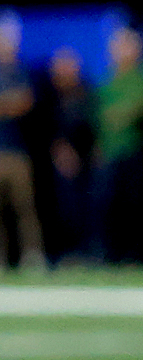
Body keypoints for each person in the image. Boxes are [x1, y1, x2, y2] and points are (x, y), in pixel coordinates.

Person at [93, 28, 143, 264]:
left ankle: (137, 256)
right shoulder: (107, 79)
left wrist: (123, 113)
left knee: (137, 205)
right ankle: (110, 255)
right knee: (108, 205)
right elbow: (100, 117)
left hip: (135, 151)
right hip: (110, 152)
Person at [31, 48, 92, 264]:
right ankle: (58, 254)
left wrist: (79, 152)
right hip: (50, 165)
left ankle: (83, 253)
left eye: (69, 66)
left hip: (84, 163)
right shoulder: (47, 96)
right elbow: (41, 127)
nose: (65, 71)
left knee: (83, 208)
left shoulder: (86, 93)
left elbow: (91, 125)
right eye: (60, 67)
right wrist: (58, 147)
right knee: (54, 209)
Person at [0, 15, 41, 271]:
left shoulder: (22, 70)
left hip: (17, 152)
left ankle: (32, 255)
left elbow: (25, 102)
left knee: (25, 208)